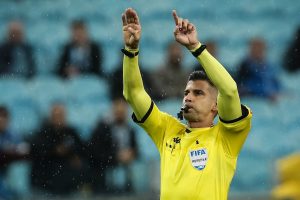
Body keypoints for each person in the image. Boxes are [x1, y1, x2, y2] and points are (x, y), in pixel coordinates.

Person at [121, 8, 252, 199]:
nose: (188, 97)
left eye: (198, 93)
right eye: (186, 92)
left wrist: (196, 48)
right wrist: (131, 52)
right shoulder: (167, 130)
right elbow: (133, 94)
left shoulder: (226, 137)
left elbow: (229, 90)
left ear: (215, 106)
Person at [30, 103, 88, 195]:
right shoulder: (43, 133)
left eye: (61, 115)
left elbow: (82, 148)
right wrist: (54, 151)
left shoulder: (71, 132)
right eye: (56, 115)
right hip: (47, 179)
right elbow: (36, 150)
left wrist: (75, 156)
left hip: (68, 179)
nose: (58, 118)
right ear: (51, 116)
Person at [88, 98, 138, 194]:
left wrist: (131, 154)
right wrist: (116, 156)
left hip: (127, 163)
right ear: (112, 112)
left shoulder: (131, 130)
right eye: (117, 112)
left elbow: (136, 149)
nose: (120, 114)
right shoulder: (102, 130)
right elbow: (96, 152)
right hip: (108, 162)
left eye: (122, 112)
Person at [0, 106, 29, 200]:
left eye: (4, 117)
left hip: (10, 177)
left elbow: (23, 150)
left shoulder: (13, 135)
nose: (2, 121)